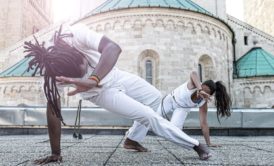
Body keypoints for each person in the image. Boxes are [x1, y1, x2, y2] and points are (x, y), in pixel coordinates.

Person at [24, 23, 211, 164]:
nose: (83, 70)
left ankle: (132, 139)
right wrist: (56, 152)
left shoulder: (74, 34)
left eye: (82, 65)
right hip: (98, 93)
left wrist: (92, 78)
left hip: (114, 75)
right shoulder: (51, 75)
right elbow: (53, 111)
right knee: (148, 115)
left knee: (155, 98)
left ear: (73, 50)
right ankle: (195, 145)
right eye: (78, 73)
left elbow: (113, 48)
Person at [124, 71, 232, 149]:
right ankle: (131, 139)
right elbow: (193, 73)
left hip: (182, 109)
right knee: (149, 115)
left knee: (174, 131)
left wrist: (209, 143)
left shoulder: (203, 102)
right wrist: (199, 89)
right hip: (170, 100)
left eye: (205, 94)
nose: (201, 95)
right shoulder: (193, 85)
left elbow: (203, 123)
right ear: (201, 84)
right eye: (203, 90)